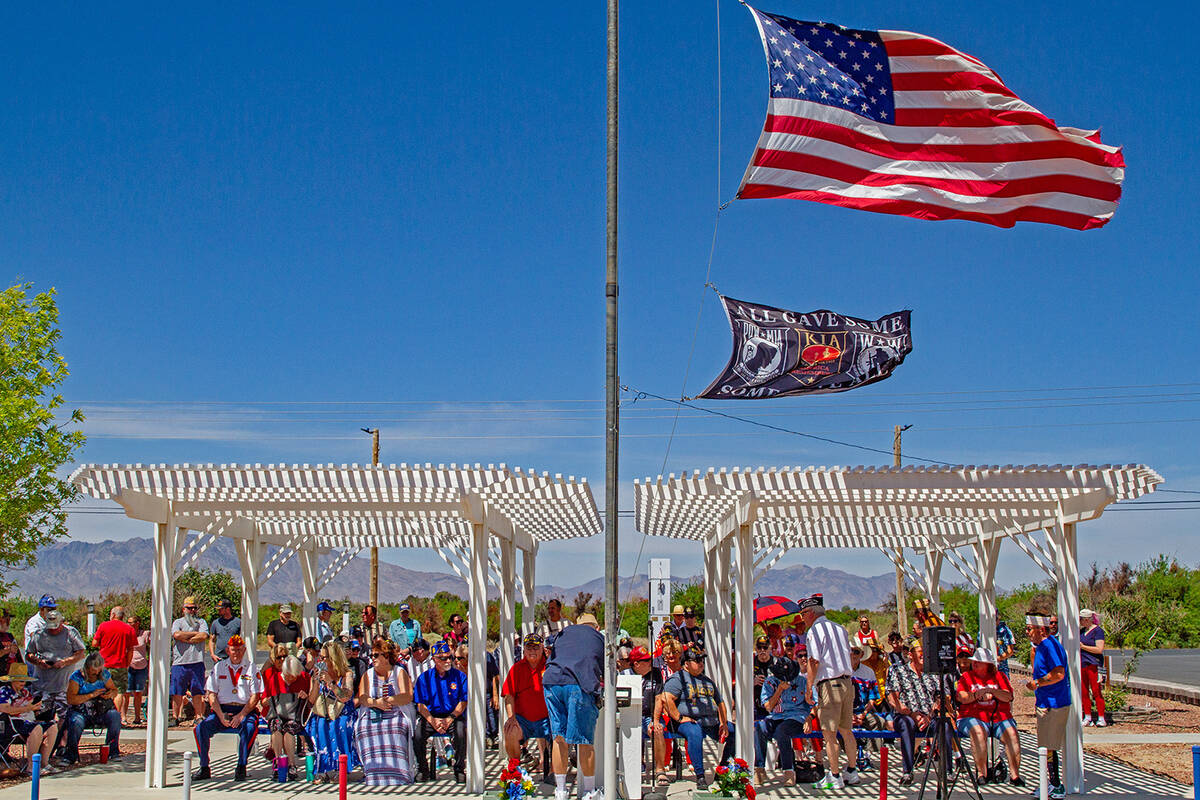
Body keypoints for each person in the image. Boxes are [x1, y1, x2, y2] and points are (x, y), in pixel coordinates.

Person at [800, 594, 860, 790]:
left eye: (803, 614)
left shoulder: (814, 632)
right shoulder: (840, 629)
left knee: (829, 734)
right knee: (847, 731)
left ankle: (834, 775)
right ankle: (852, 771)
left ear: (810, 613)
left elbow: (814, 661)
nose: (802, 618)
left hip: (829, 684)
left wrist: (809, 687)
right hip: (847, 682)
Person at [543, 612, 604, 800]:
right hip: (577, 685)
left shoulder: (565, 633)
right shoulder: (597, 637)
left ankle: (560, 791)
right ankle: (589, 791)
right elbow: (606, 669)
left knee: (559, 738)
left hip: (552, 683)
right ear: (596, 626)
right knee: (584, 740)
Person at [661, 645, 735, 790]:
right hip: (688, 722)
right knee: (695, 733)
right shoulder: (678, 678)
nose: (701, 663)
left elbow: (720, 702)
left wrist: (723, 723)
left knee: (735, 733)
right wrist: (680, 718)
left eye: (702, 660)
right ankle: (700, 776)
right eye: (697, 660)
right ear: (686, 664)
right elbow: (666, 698)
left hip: (710, 721)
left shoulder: (707, 680)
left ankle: (722, 769)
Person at [193, 634, 260, 782]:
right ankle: (204, 767)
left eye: (239, 650)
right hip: (221, 710)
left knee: (250, 728)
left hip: (244, 710)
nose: (236, 653)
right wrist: (220, 715)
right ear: (227, 651)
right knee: (200, 729)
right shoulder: (219, 668)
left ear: (244, 650)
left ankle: (241, 766)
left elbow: (255, 696)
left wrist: (241, 715)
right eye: (233, 650)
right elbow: (211, 694)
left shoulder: (251, 668)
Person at [955, 647, 1023, 786]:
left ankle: (1015, 775)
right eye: (974, 661)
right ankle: (981, 773)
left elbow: (1008, 696)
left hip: (999, 717)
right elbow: (962, 698)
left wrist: (991, 690)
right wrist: (977, 694)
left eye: (979, 662)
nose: (975, 663)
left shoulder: (1000, 677)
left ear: (988, 664)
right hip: (972, 716)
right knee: (978, 732)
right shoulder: (966, 677)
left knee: (1012, 733)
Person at [355, 638, 415, 785]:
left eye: (376, 655)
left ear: (386, 657)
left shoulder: (399, 672)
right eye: (372, 655)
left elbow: (407, 696)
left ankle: (399, 774)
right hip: (374, 712)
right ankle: (372, 772)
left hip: (397, 712)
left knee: (396, 727)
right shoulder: (368, 675)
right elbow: (362, 697)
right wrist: (376, 703)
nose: (372, 659)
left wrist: (388, 701)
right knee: (364, 728)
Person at [1026, 610, 1070, 800]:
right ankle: (1050, 783)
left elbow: (1058, 673)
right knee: (1046, 745)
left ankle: (1055, 784)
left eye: (1030, 629)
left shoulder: (1050, 646)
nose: (1027, 633)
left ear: (1041, 630)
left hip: (1054, 702)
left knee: (1048, 746)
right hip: (1046, 700)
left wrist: (1038, 682)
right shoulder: (1041, 647)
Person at [884, 643, 940, 786]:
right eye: (920, 651)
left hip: (928, 717)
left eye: (926, 652)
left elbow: (939, 698)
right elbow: (892, 698)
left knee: (944, 723)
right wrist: (912, 714)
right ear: (910, 655)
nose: (924, 655)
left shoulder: (933, 673)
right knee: (906, 724)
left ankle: (948, 770)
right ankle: (907, 771)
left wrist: (928, 716)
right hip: (905, 716)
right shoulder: (897, 671)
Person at [412, 640, 466, 783]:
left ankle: (459, 769)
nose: (448, 661)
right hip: (431, 716)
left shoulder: (459, 677)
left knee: (461, 732)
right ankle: (423, 769)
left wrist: (449, 719)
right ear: (435, 659)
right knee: (417, 735)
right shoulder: (424, 678)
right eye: (443, 658)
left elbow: (463, 701)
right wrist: (433, 721)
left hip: (453, 716)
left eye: (450, 657)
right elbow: (420, 705)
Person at [755, 653, 811, 786]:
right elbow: (768, 706)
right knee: (759, 727)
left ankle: (789, 770)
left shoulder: (802, 681)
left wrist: (809, 718)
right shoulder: (770, 682)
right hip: (776, 716)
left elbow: (813, 703)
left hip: (797, 717)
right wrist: (779, 690)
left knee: (782, 732)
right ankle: (759, 768)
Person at [307, 640, 359, 782]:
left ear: (333, 658)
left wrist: (331, 683)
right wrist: (316, 683)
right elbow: (311, 701)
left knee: (340, 726)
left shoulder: (346, 674)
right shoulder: (318, 673)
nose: (321, 660)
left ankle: (341, 768)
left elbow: (346, 697)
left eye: (324, 657)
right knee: (319, 726)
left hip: (343, 711)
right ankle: (322, 768)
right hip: (324, 711)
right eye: (320, 657)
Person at [501, 633, 551, 775]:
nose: (532, 651)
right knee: (510, 731)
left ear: (542, 649)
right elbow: (508, 695)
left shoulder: (550, 667)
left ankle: (555, 774)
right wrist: (511, 718)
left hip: (547, 719)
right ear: (524, 650)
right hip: (523, 720)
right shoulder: (516, 669)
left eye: (536, 647)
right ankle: (515, 771)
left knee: (561, 735)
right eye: (529, 648)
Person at [24, 609, 86, 724]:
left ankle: (61, 741)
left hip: (63, 685)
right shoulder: (39, 634)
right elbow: (28, 654)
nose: (53, 630)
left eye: (55, 627)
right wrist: (38, 661)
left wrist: (64, 662)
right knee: (41, 717)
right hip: (42, 685)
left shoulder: (70, 633)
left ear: (61, 622)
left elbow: (81, 653)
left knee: (65, 717)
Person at [63, 651, 123, 765]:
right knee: (75, 721)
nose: (95, 673)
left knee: (115, 716)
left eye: (98, 671)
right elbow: (71, 699)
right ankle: (70, 755)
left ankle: (113, 751)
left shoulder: (104, 675)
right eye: (93, 671)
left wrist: (109, 694)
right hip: (81, 710)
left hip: (100, 709)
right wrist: (91, 695)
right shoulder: (76, 677)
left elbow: (114, 689)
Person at [260, 645, 309, 779]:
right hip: (277, 713)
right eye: (288, 676)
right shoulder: (274, 678)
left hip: (294, 715)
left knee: (289, 730)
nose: (290, 680)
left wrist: (305, 696)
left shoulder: (304, 677)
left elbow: (311, 699)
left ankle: (291, 764)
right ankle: (278, 761)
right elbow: (263, 701)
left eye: (294, 677)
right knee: (276, 728)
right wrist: (273, 699)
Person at [0, 663, 59, 773]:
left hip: (28, 721)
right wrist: (27, 708)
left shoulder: (25, 692)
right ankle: (31, 766)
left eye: (24, 680)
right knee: (36, 728)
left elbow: (32, 709)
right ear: (12, 680)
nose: (23, 683)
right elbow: (5, 709)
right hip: (10, 723)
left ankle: (44, 763)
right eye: (20, 680)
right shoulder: (5, 691)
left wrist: (37, 707)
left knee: (52, 727)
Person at [630, 646, 668, 788]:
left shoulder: (656, 673)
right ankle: (636, 764)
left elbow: (659, 699)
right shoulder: (625, 674)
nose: (650, 663)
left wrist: (656, 720)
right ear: (636, 664)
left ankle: (660, 770)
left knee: (657, 730)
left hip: (649, 715)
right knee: (630, 731)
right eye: (645, 661)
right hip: (630, 715)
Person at [91, 605, 136, 723]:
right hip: (120, 665)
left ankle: (100, 718)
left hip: (103, 664)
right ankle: (114, 719)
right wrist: (127, 663)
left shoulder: (104, 626)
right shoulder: (129, 629)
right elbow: (131, 649)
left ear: (113, 615)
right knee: (119, 691)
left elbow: (94, 643)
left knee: (101, 689)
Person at [170, 596, 209, 726]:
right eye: (189, 608)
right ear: (183, 609)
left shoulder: (201, 622)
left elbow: (204, 635)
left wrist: (186, 637)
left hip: (196, 661)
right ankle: (176, 716)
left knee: (197, 690)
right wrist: (194, 635)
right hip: (179, 662)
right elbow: (176, 635)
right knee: (177, 691)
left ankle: (198, 716)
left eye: (194, 608)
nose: (192, 611)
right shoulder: (178, 622)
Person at [1080, 609, 1107, 727]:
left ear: (1087, 619)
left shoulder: (1098, 631)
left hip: (1094, 664)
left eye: (1081, 619)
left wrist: (1083, 647)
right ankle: (1087, 716)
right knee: (1084, 691)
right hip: (1083, 663)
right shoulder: (1081, 631)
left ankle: (1101, 717)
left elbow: (1099, 649)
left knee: (1096, 690)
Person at [126, 616, 150, 726]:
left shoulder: (144, 634)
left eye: (132, 622)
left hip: (142, 665)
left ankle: (137, 717)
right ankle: (123, 716)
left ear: (138, 623)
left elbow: (151, 645)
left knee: (138, 693)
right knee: (126, 692)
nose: (130, 624)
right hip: (129, 665)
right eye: (128, 622)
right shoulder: (126, 634)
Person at [752, 635, 777, 721]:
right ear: (756, 648)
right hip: (755, 705)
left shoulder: (776, 663)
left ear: (770, 648)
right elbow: (741, 684)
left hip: (773, 705)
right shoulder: (750, 663)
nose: (762, 650)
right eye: (759, 647)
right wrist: (753, 682)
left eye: (765, 647)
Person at [0, 608, 20, 677]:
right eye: (5, 619)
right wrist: (7, 650)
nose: (8, 622)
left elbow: (18, 656)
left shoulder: (9, 636)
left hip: (10, 676)